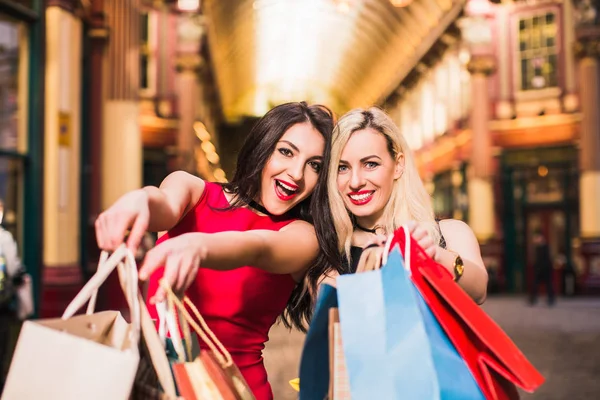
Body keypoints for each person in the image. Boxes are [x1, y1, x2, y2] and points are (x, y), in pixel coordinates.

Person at [94, 102, 339, 400]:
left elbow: (258, 247)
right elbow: (164, 203)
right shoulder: (193, 190)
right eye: (286, 152)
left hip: (234, 390)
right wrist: (138, 200)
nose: (296, 174)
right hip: (151, 382)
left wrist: (199, 246)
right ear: (263, 147)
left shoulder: (304, 234)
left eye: (315, 165)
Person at [324, 107, 488, 304]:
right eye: (343, 168)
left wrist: (434, 255)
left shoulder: (452, 232)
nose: (355, 181)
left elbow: (479, 292)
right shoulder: (328, 249)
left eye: (370, 164)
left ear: (398, 165)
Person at [529, 230, 555, 306]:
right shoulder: (537, 248)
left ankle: (551, 299)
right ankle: (533, 298)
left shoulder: (545, 247)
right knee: (536, 284)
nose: (534, 240)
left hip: (545, 269)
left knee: (548, 284)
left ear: (540, 238)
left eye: (536, 238)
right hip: (539, 269)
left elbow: (546, 259)